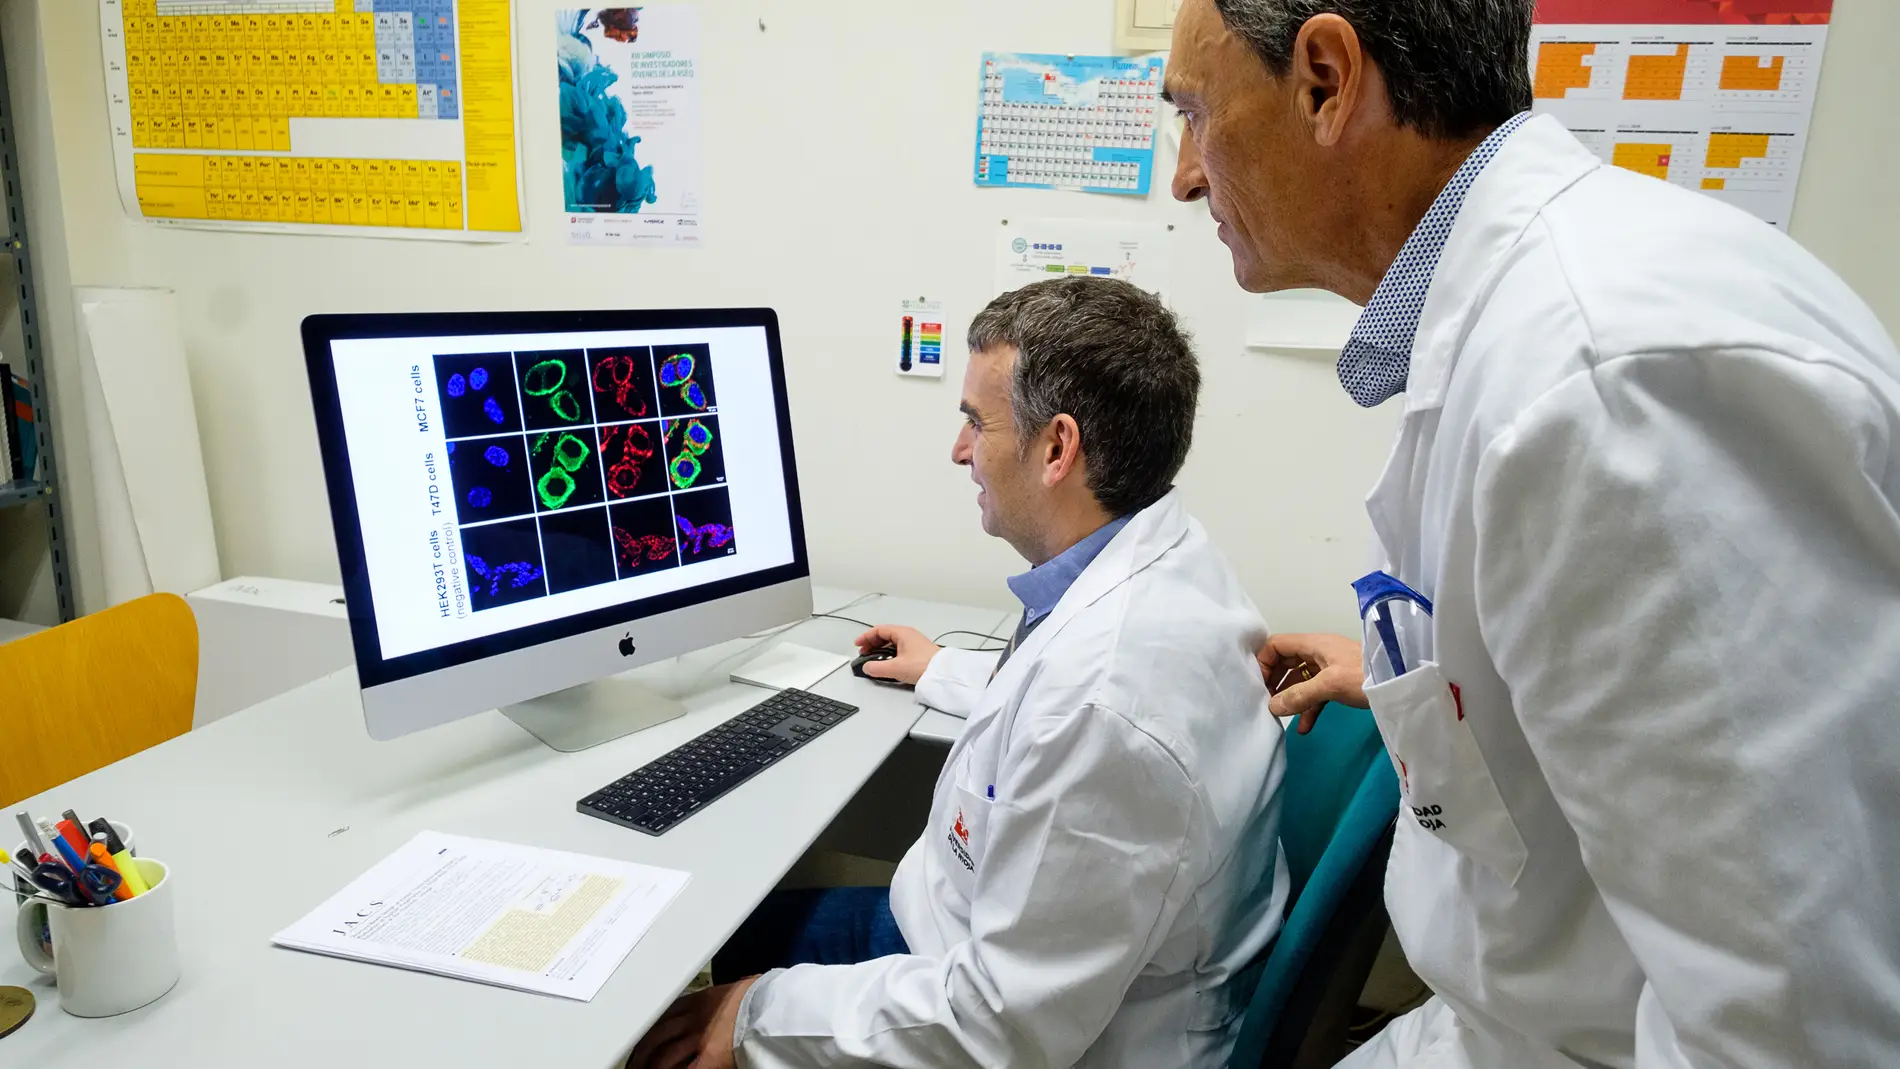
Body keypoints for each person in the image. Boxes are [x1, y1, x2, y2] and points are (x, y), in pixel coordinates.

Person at [1164, 0, 1900, 1066]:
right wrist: (1405, 676)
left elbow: (1790, 1025)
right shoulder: (1543, 319)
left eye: (1193, 113)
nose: (1186, 175)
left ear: (1324, 78)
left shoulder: (1607, 383)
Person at [627, 276, 1290, 1069]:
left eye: (977, 422)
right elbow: (1058, 709)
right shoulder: (1160, 560)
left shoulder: (1106, 702)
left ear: (1057, 448)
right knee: (712, 942)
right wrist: (943, 669)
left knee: (656, 1011)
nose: (960, 449)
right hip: (981, 949)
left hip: (1017, 1024)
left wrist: (752, 1018)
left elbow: (999, 1027)